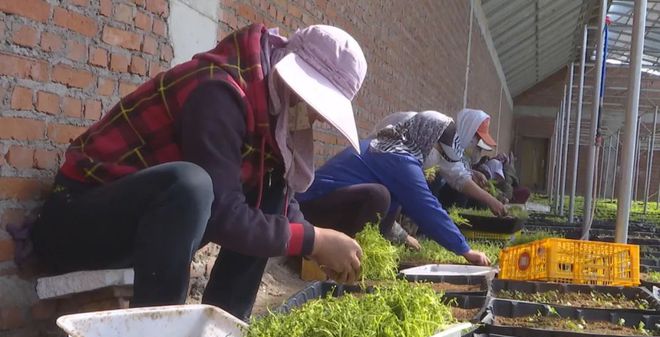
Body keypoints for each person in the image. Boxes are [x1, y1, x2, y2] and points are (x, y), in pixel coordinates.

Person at [30, 24, 368, 320]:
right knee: (190, 185)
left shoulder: (270, 113)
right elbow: (222, 214)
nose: (319, 119)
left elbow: (277, 205)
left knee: (271, 187)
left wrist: (311, 237)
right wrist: (314, 240)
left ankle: (224, 325)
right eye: (318, 104)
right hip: (76, 225)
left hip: (144, 231)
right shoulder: (218, 92)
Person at [297, 111, 492, 266]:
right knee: (378, 196)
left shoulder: (391, 148)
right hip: (310, 210)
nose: (435, 156)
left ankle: (356, 252)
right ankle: (332, 256)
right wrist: (465, 250)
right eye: (438, 151)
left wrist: (402, 236)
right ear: (426, 139)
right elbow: (426, 207)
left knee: (391, 198)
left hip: (325, 205)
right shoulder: (399, 158)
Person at [429, 109, 507, 215]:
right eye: (477, 138)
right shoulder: (447, 141)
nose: (476, 144)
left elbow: (456, 168)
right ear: (468, 130)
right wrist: (491, 200)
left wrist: (472, 173)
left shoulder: (459, 151)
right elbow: (457, 176)